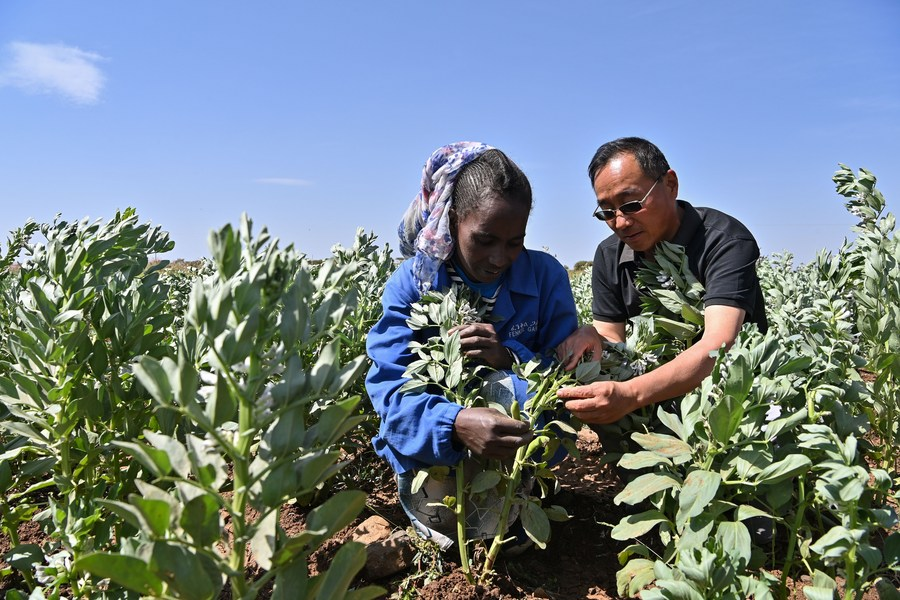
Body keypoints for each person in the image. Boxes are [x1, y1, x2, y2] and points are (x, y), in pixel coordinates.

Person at [365, 141, 578, 550]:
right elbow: (390, 394)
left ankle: (521, 503)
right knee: (448, 534)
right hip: (437, 456)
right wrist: (455, 423)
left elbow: (567, 381)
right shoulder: (413, 284)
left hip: (521, 456)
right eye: (485, 239)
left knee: (506, 387)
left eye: (515, 242)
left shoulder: (546, 276)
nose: (500, 258)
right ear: (454, 219)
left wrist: (510, 357)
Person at [557, 136, 768, 426]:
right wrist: (593, 336)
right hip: (654, 403)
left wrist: (630, 394)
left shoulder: (724, 241)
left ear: (670, 184)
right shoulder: (609, 255)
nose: (620, 222)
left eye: (631, 204)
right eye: (606, 212)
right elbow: (612, 338)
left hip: (731, 398)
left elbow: (719, 343)